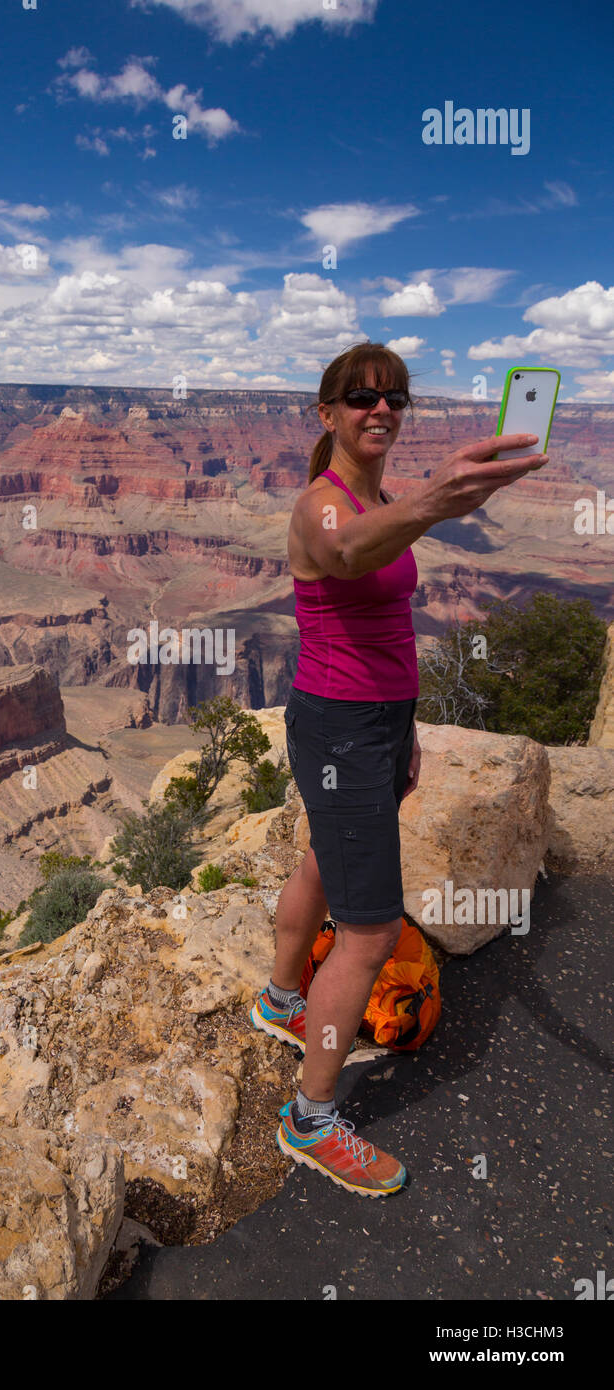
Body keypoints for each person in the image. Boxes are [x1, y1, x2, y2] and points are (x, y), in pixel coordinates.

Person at [250, 342, 549, 1197]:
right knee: (373, 931)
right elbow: (347, 553)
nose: (379, 410)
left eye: (394, 398)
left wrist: (405, 726)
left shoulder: (376, 496)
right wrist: (435, 499)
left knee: (326, 855)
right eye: (360, 397)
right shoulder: (324, 507)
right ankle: (310, 1120)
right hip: (340, 728)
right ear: (327, 412)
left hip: (374, 725)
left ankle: (280, 999)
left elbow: (381, 618)